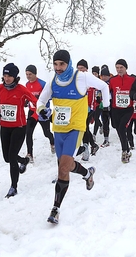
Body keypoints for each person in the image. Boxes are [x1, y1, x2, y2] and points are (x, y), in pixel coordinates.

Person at [36, 49, 110, 224]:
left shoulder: (81, 77)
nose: (58, 68)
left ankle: (55, 209)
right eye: (55, 64)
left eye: (61, 64)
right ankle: (87, 173)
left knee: (63, 167)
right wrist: (42, 110)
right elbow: (40, 101)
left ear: (68, 64)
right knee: (65, 166)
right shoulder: (53, 81)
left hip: (76, 128)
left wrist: (105, 106)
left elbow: (104, 86)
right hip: (59, 129)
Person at [0, 63, 38, 198]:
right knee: (6, 157)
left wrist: (33, 116)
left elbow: (35, 102)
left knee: (11, 155)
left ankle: (13, 187)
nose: (7, 78)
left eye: (9, 76)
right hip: (4, 126)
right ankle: (23, 161)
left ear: (15, 76)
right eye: (5, 75)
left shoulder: (22, 90)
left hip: (19, 127)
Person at [24, 64, 55, 163]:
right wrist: (25, 101)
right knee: (28, 133)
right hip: (32, 112)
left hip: (42, 112)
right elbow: (27, 96)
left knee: (46, 133)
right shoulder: (27, 85)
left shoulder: (42, 84)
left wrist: (40, 100)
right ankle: (30, 154)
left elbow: (50, 96)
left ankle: (52, 142)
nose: (28, 76)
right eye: (27, 74)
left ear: (35, 74)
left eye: (30, 74)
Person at [109, 58, 136, 163]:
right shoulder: (113, 80)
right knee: (116, 127)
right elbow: (107, 92)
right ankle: (127, 149)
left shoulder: (132, 80)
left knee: (121, 128)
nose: (119, 70)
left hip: (127, 109)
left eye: (121, 67)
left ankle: (125, 151)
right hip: (115, 109)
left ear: (126, 68)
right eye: (117, 67)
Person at [99, 65, 112, 147]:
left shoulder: (111, 83)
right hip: (103, 106)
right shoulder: (99, 84)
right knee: (105, 122)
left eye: (105, 76)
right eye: (102, 76)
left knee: (114, 123)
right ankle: (106, 140)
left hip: (112, 105)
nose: (103, 77)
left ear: (108, 76)